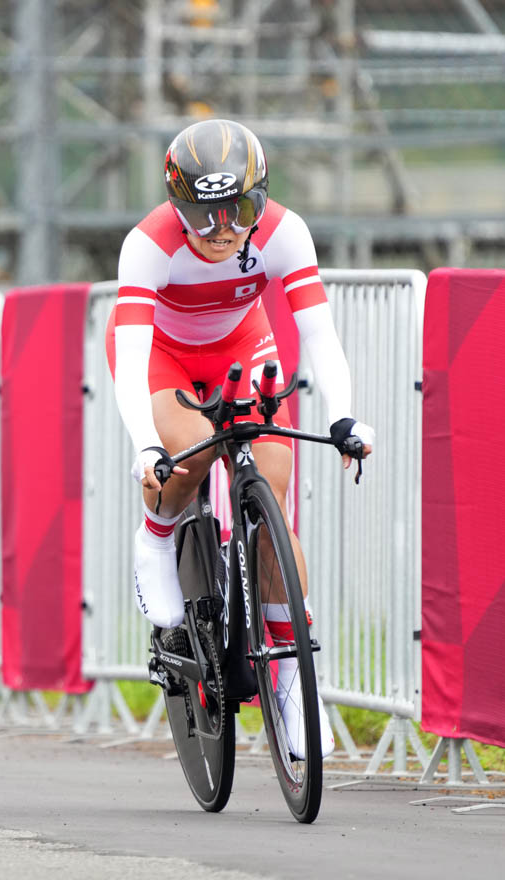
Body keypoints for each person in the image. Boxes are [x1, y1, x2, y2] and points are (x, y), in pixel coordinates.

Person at [106, 119, 374, 760]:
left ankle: (290, 683)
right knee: (192, 452)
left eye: (241, 210)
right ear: (178, 207)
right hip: (162, 357)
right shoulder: (148, 245)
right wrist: (147, 446)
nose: (224, 229)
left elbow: (320, 337)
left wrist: (343, 417)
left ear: (261, 198)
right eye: (204, 216)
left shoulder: (285, 231)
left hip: (242, 345)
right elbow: (135, 352)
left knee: (272, 501)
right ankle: (157, 534)